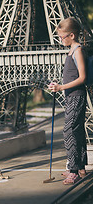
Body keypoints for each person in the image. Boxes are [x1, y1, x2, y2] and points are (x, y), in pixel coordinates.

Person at [48, 17, 87, 185]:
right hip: (71, 96)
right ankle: (80, 167)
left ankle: (74, 170)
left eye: (62, 37)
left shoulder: (77, 50)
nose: (60, 39)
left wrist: (61, 87)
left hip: (76, 96)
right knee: (76, 131)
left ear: (72, 35)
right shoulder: (71, 49)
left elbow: (83, 77)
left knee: (69, 130)